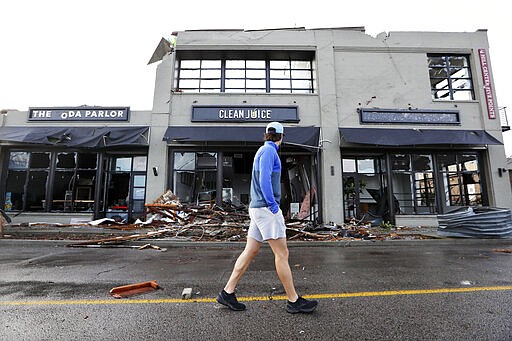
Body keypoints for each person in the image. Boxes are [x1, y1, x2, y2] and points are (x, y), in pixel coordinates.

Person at [216, 122, 318, 314]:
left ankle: (227, 292)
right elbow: (264, 180)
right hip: (265, 209)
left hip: (257, 209)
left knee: (250, 251)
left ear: (266, 135)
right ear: (282, 137)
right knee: (282, 254)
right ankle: (293, 300)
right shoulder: (270, 152)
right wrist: (273, 205)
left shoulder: (262, 151)